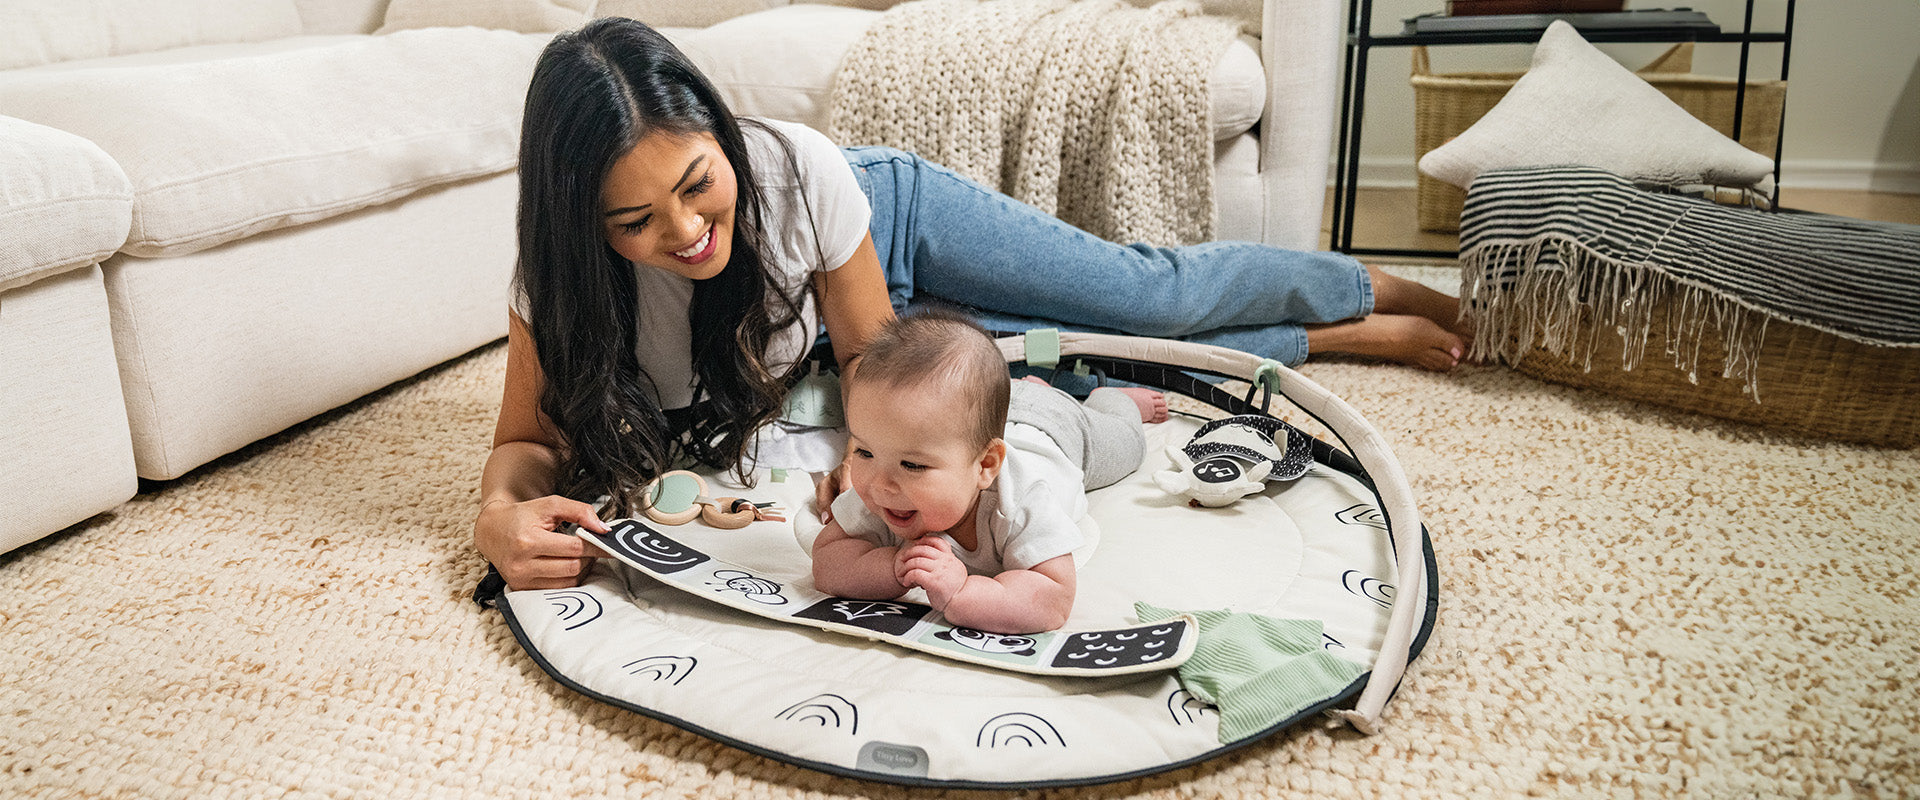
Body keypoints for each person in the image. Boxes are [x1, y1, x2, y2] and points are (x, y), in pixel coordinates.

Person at [474, 17, 1469, 591]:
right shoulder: (557, 279)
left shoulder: (794, 175)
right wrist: (495, 517)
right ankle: (1321, 336)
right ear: (581, 223)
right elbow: (525, 442)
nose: (685, 232)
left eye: (699, 183)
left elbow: (872, 351)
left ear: (724, 144)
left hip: (886, 235)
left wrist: (860, 448)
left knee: (1140, 291)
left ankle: (1374, 279)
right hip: (829, 349)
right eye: (635, 221)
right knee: (1074, 359)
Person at [810, 312, 1166, 634]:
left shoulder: (1021, 500)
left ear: (985, 466)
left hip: (1061, 431)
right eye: (864, 451)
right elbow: (826, 561)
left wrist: (963, 592)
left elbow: (1054, 597)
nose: (880, 484)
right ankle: (1033, 388)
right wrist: (889, 568)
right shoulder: (879, 485)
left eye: (913, 465)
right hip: (996, 415)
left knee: (1128, 442)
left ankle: (1112, 399)